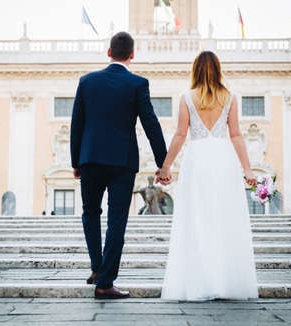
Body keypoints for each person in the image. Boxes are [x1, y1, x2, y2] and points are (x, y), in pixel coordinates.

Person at [70, 31, 168, 299]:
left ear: (109, 52)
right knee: (117, 222)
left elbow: (76, 123)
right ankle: (105, 281)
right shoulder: (138, 83)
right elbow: (151, 124)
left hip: (90, 160)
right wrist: (163, 163)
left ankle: (96, 268)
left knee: (90, 213)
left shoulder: (87, 81)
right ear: (132, 55)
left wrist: (76, 160)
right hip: (122, 164)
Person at [157, 51, 259, 301]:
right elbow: (236, 135)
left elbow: (181, 135)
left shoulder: (187, 98)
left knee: (198, 219)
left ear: (195, 70)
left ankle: (201, 281)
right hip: (224, 160)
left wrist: (165, 167)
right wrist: (247, 169)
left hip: (198, 160)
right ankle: (225, 282)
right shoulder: (230, 97)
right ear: (218, 69)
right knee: (224, 219)